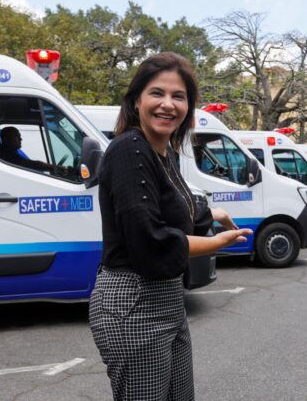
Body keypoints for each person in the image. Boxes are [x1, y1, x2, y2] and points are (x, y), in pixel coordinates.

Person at [88, 52, 252, 401]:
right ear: (136, 101)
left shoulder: (165, 152)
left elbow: (177, 209)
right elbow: (151, 240)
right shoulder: (129, 148)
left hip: (168, 300)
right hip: (132, 304)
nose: (168, 104)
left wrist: (214, 214)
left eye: (179, 97)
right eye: (157, 93)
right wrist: (217, 243)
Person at [0, 126, 69, 174]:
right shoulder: (6, 154)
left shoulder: (11, 152)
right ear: (6, 139)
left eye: (20, 136)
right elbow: (31, 164)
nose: (21, 139)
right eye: (16, 136)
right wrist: (53, 167)